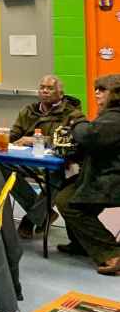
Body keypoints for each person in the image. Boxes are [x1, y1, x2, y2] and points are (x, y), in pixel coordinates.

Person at [54, 82, 120, 275]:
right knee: (65, 191)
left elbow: (90, 135)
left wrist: (78, 121)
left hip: (112, 179)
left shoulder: (115, 118)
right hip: (103, 174)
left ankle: (112, 253)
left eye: (102, 89)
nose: (97, 93)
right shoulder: (109, 116)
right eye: (96, 89)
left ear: (115, 94)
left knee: (70, 204)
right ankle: (81, 244)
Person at [8, 75, 85, 239]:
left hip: (58, 163)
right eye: (42, 87)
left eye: (50, 88)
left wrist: (38, 140)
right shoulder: (28, 110)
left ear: (60, 93)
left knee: (57, 173)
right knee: (2, 167)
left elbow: (71, 142)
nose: (44, 90)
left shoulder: (73, 114)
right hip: (28, 160)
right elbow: (14, 135)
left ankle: (31, 219)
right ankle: (45, 213)